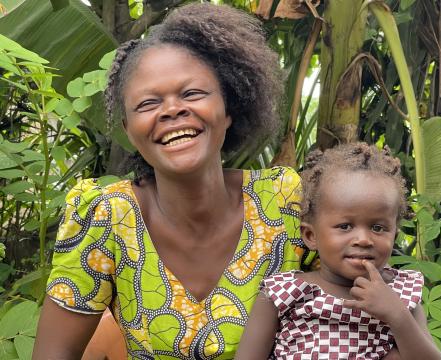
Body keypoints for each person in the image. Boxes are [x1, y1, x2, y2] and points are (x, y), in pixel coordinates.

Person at [33, 3, 315, 359]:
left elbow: (364, 316)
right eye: (148, 103)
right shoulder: (109, 217)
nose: (171, 110)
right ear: (129, 132)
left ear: (227, 109)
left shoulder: (284, 201)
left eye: (191, 94)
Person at [235, 143, 441, 360]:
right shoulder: (283, 294)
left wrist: (398, 317)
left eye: (378, 228)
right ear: (310, 236)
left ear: (395, 235)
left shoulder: (401, 294)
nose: (363, 239)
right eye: (345, 226)